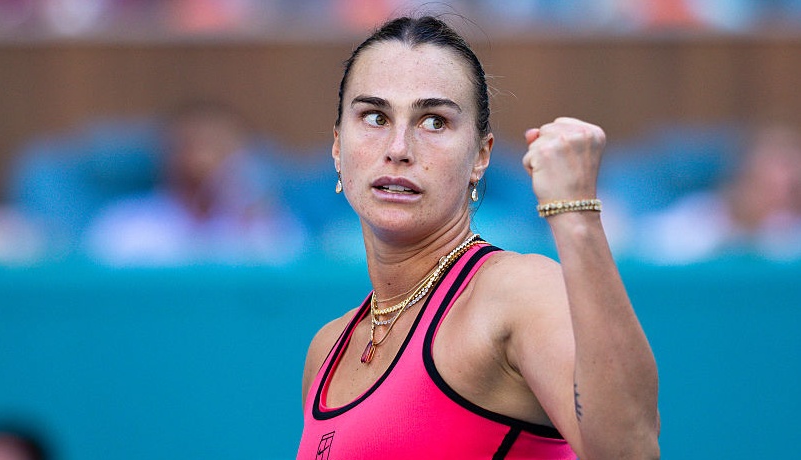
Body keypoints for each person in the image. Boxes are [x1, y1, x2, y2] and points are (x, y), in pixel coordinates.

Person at [297, 15, 659, 459]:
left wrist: (577, 213)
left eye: (434, 121)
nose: (398, 148)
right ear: (338, 146)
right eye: (375, 117)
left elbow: (630, 452)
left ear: (480, 157)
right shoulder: (327, 351)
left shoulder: (515, 294)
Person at [83, 100, 307, 266]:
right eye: (190, 145)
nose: (202, 159)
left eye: (218, 146)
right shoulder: (124, 226)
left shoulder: (268, 227)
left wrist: (250, 213)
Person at [635, 123, 801, 263]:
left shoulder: (791, 240)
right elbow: (644, 243)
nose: (777, 199)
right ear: (741, 179)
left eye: (789, 191)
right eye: (765, 187)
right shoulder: (695, 218)